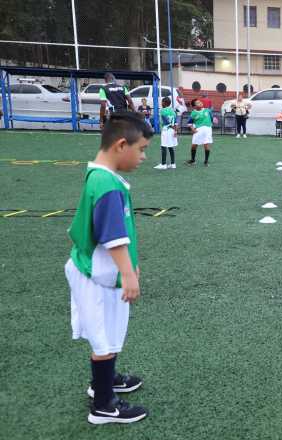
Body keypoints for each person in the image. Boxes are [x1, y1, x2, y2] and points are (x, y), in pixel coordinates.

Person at [64, 112, 152, 424]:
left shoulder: (100, 175)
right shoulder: (107, 185)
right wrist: (128, 274)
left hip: (96, 271)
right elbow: (113, 238)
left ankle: (106, 379)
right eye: (141, 149)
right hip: (98, 276)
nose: (143, 156)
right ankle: (103, 405)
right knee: (104, 337)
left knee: (109, 333)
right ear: (120, 145)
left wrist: (130, 267)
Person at [186, 99, 213, 166]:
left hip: (207, 130)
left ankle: (206, 161)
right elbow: (189, 123)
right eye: (197, 103)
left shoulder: (207, 110)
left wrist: (211, 123)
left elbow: (211, 118)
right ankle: (193, 160)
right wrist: (192, 129)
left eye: (200, 101)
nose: (200, 103)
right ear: (194, 106)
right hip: (198, 130)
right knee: (194, 145)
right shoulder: (193, 113)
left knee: (206, 145)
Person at [155, 97, 178, 170]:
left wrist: (172, 127)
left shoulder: (163, 111)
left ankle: (163, 164)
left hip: (166, 130)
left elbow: (166, 121)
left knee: (164, 146)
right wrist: (175, 130)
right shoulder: (173, 110)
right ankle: (173, 164)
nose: (161, 103)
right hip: (172, 131)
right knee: (171, 146)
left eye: (162, 102)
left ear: (165, 103)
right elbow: (176, 121)